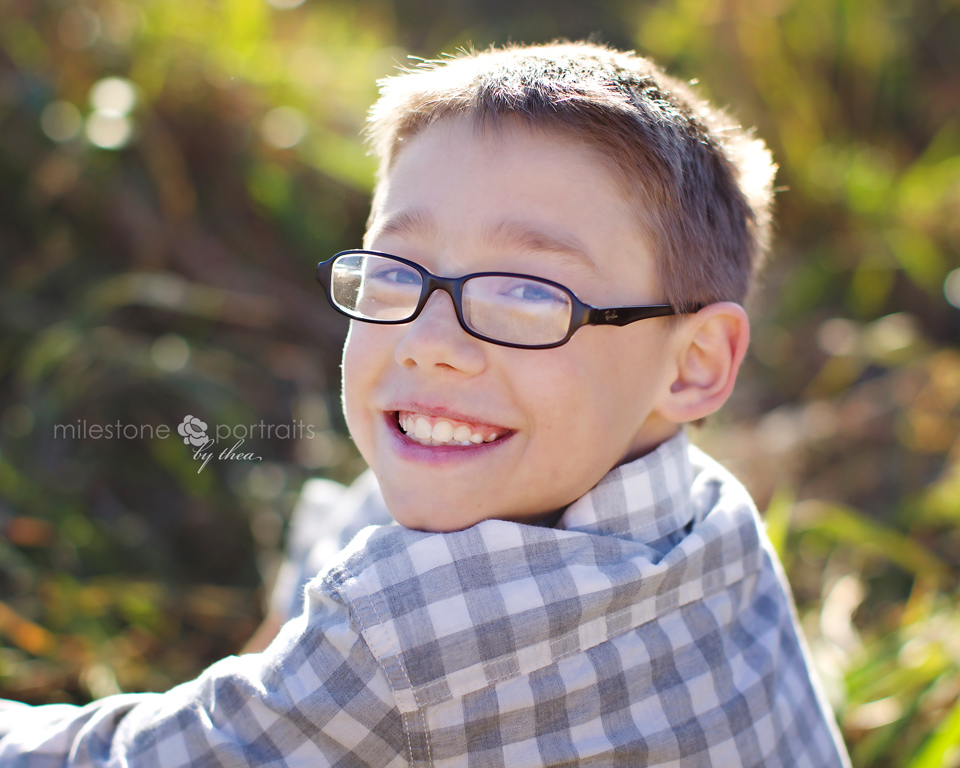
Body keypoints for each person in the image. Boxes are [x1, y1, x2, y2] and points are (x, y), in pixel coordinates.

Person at [0, 42, 851, 766]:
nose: (428, 340)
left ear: (695, 363)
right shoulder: (713, 515)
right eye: (396, 271)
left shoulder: (404, 630)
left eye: (528, 292)